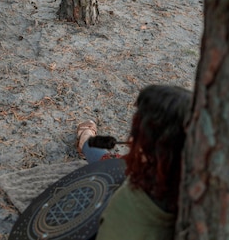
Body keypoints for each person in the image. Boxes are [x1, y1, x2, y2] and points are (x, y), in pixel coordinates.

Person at [76, 85, 191, 240]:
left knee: (101, 157)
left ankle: (85, 140)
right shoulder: (192, 172)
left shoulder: (129, 214)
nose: (130, 139)